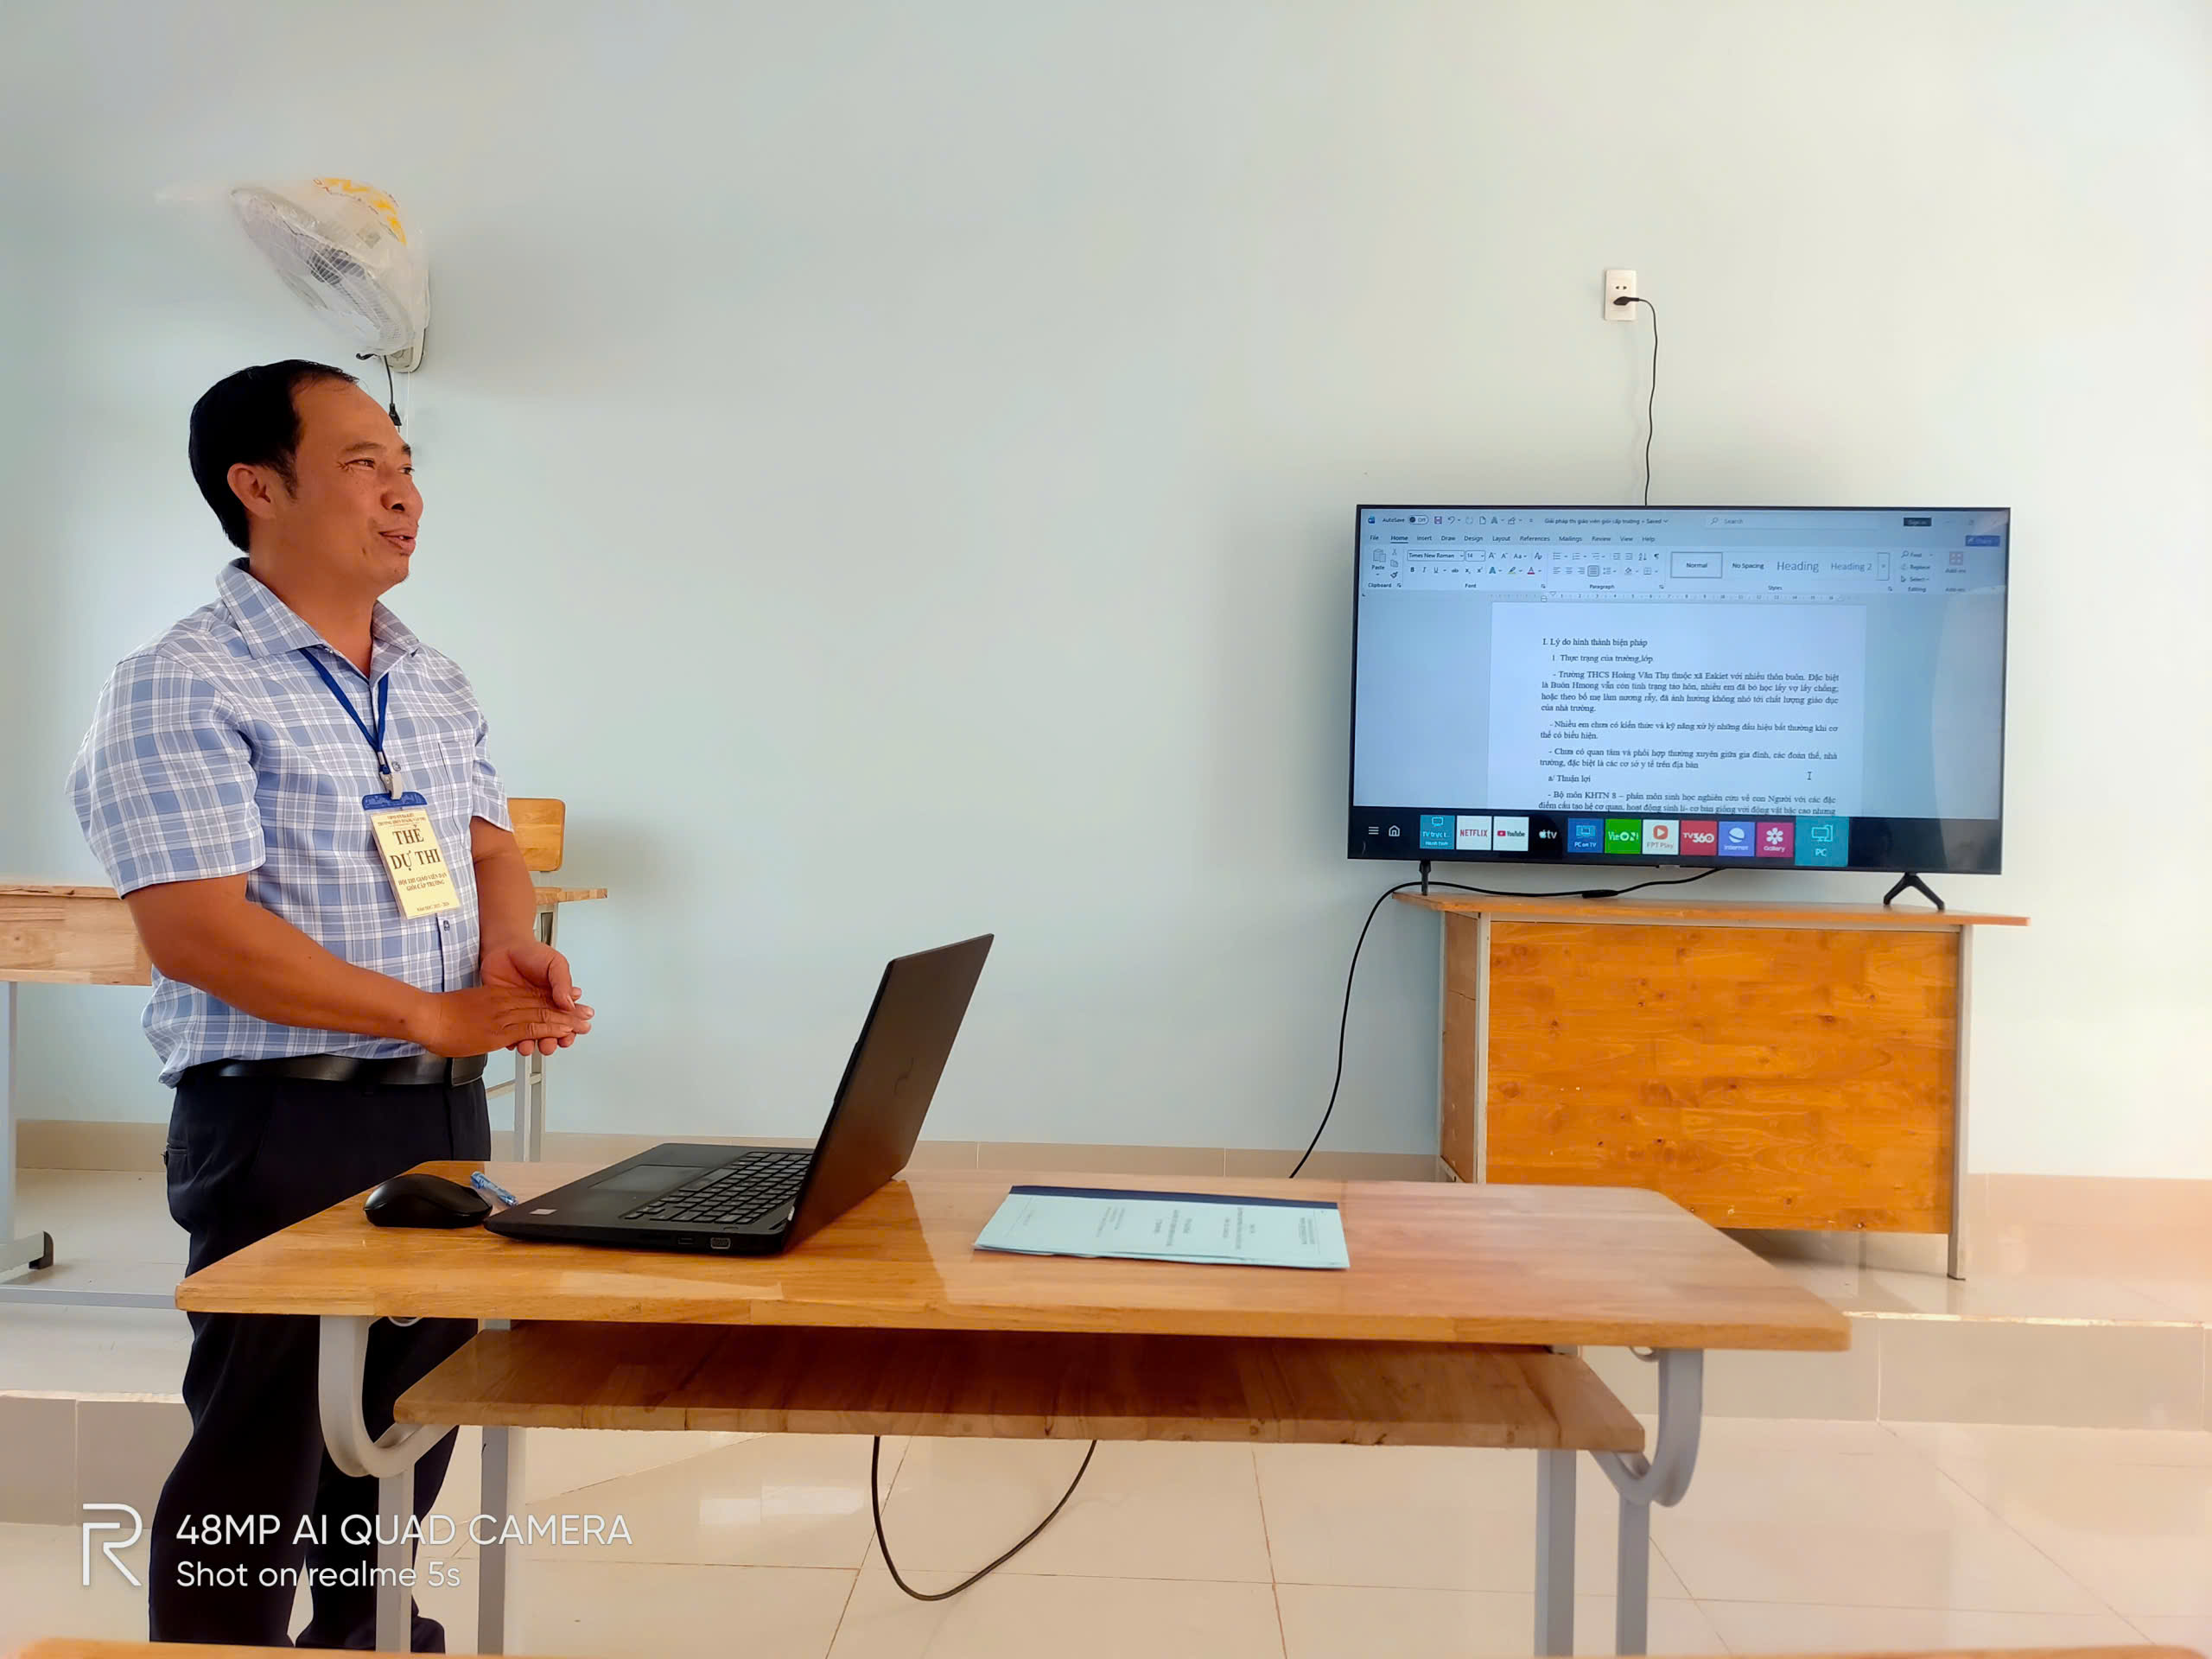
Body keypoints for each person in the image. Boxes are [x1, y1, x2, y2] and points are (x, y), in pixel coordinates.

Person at [68, 360, 593, 1649]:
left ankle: (370, 1645)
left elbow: (487, 848)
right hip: (284, 1118)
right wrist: (424, 1016)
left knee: (405, 1434)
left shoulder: (429, 675)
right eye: (365, 465)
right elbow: (197, 932)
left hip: (439, 1115)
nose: (404, 495)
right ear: (259, 486)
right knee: (265, 1455)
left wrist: (506, 956)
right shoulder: (182, 681)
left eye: (407, 467)